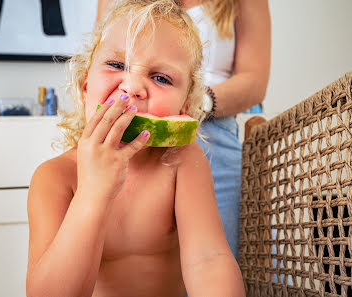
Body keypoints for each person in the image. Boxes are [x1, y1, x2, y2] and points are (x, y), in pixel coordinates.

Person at [26, 0, 244, 296]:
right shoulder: (55, 178)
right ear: (85, 85)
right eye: (117, 65)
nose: (132, 86)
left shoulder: (182, 161)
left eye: (160, 77)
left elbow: (209, 260)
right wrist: (93, 192)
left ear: (185, 107)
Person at [97, 0, 271, 260]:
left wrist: (195, 104)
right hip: (123, 131)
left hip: (214, 134)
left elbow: (255, 81)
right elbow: (98, 55)